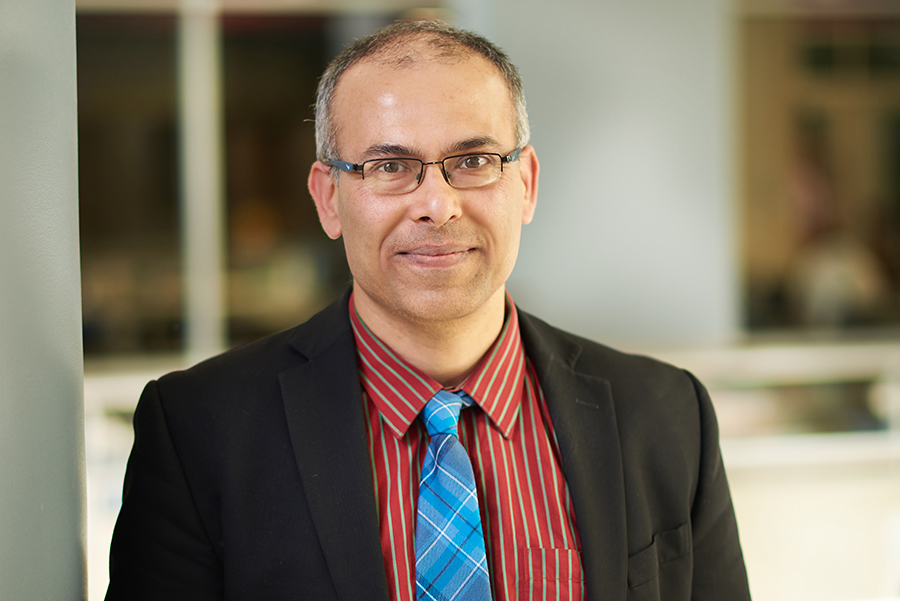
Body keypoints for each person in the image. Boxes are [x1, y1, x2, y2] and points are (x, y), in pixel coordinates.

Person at [106, 20, 751, 601]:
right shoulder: (200, 433)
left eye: (472, 162)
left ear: (524, 184)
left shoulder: (667, 416)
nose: (438, 205)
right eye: (391, 165)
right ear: (329, 198)